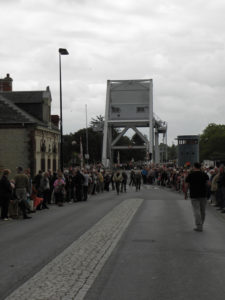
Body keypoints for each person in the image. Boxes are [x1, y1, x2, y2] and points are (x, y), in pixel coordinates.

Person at [184, 162, 209, 232]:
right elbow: (208, 184)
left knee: (196, 210)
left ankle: (199, 226)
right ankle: (201, 224)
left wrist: (185, 194)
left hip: (194, 195)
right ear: (200, 167)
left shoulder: (190, 175)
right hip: (203, 195)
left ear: (194, 167)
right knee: (203, 211)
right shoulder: (204, 174)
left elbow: (186, 186)